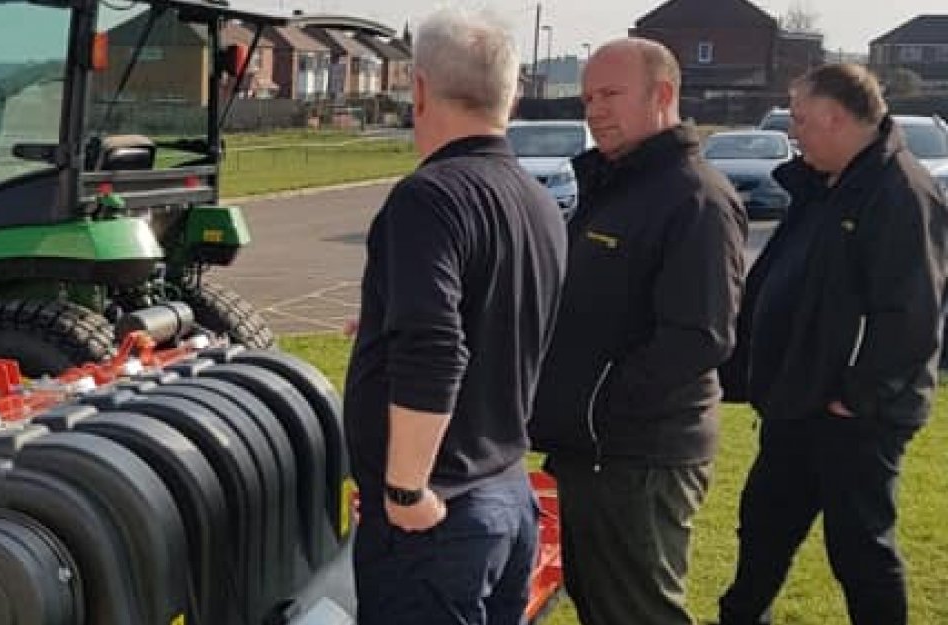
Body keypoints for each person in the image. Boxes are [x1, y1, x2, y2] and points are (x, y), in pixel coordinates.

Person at [343, 8, 567, 624]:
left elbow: (437, 349)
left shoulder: (430, 198)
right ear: (512, 96)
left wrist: (405, 488)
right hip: (505, 492)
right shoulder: (537, 200)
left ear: (418, 89)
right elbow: (495, 317)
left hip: (438, 517)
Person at [716, 63, 948, 625]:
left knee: (860, 551)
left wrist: (856, 395)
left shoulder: (899, 191)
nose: (793, 131)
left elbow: (912, 315)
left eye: (799, 118)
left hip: (854, 418)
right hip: (798, 404)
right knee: (764, 532)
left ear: (835, 117)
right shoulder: (824, 186)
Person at [528, 38, 747, 625]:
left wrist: (598, 408)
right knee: (601, 604)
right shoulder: (616, 187)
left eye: (612, 94)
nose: (595, 109)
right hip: (590, 453)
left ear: (664, 94)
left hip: (639, 459)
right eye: (588, 97)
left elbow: (700, 336)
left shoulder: (695, 199)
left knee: (639, 613)